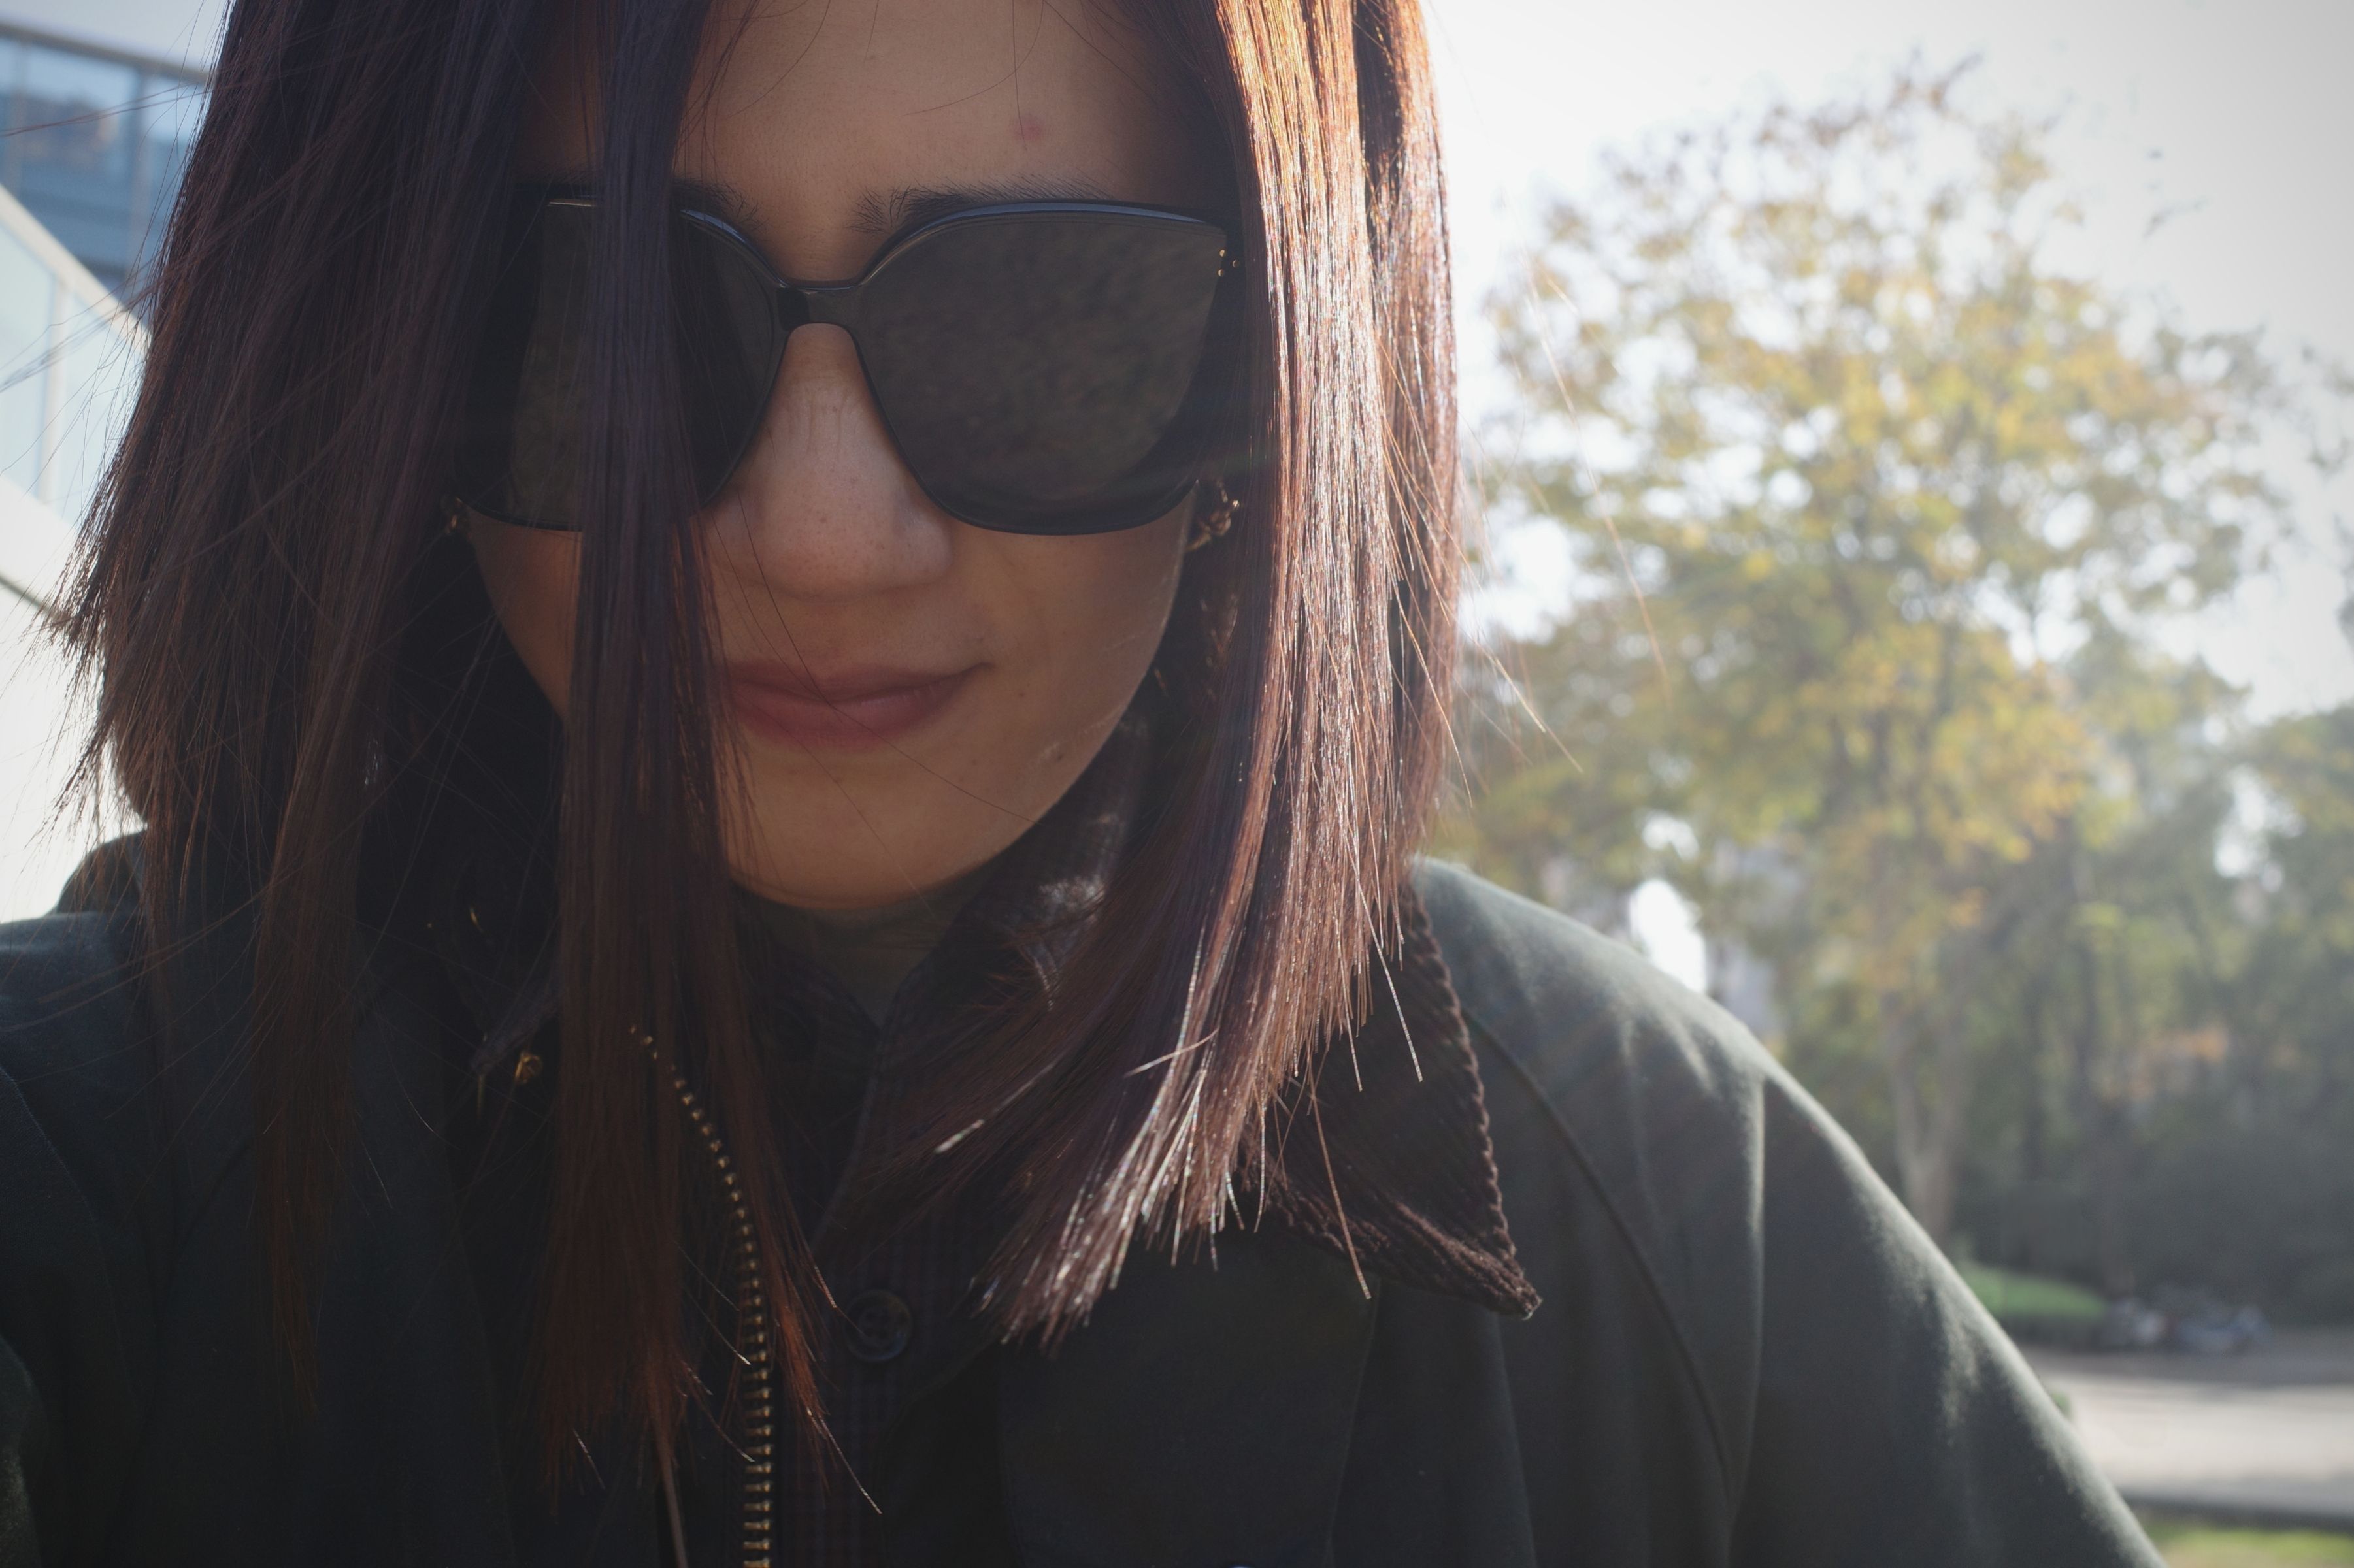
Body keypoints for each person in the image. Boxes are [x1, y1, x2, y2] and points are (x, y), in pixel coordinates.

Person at [0, 0, 2161, 1563]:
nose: (824, 535)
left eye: (1047, 323)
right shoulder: (73, 1160)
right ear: (371, 346)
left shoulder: (1647, 1188)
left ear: (1274, 386)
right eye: (609, 320)